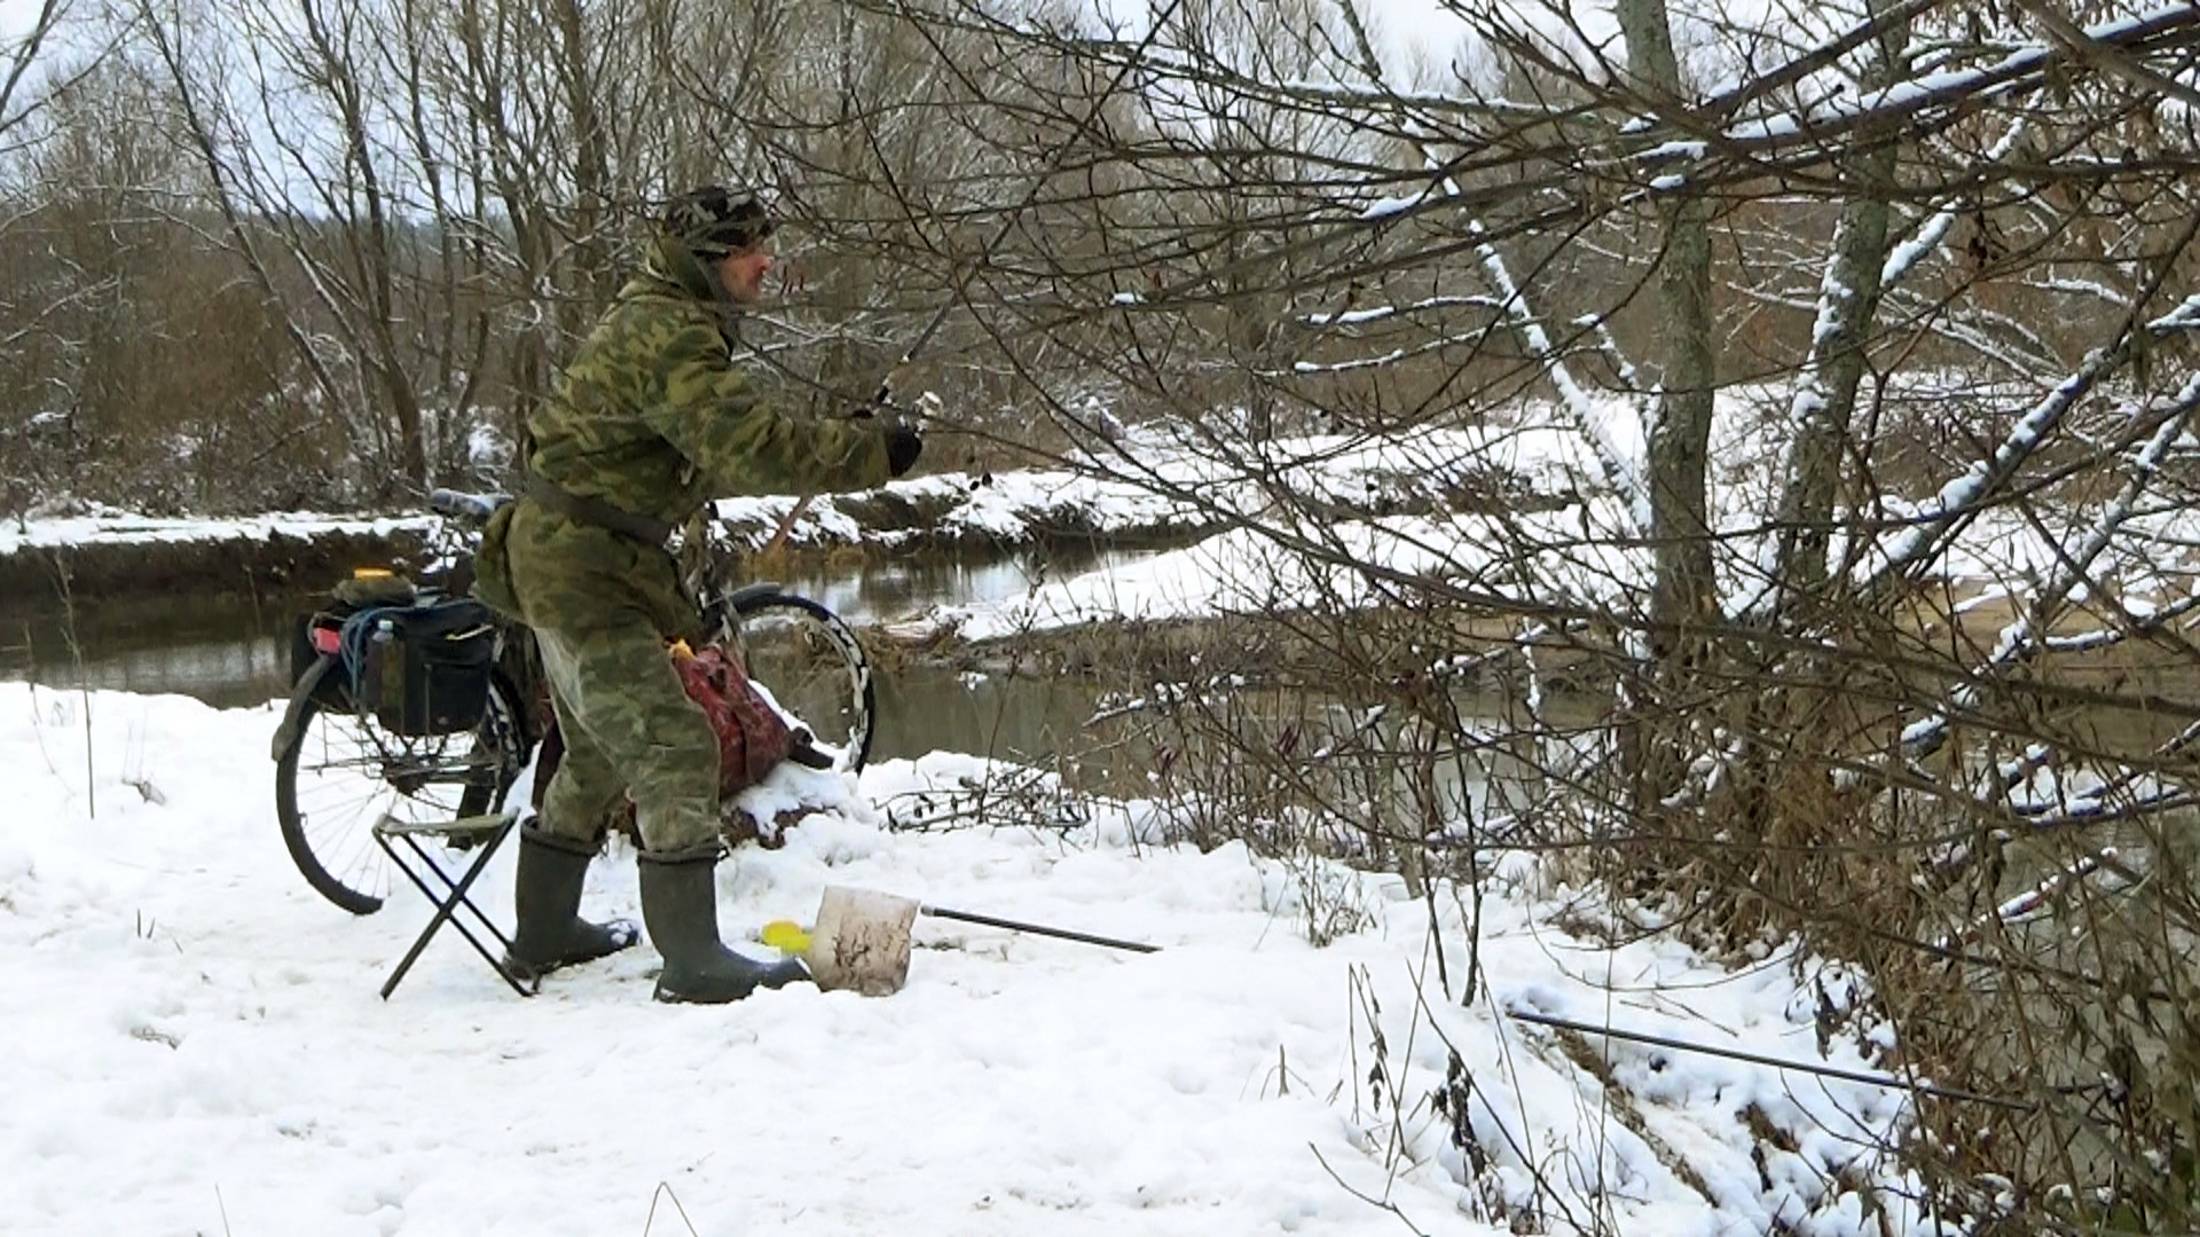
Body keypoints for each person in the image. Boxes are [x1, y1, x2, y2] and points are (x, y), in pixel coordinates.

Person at [471, 186, 923, 1003]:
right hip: (581, 571)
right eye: (752, 249)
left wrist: (843, 438)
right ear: (710, 260)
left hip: (572, 561)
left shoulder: (667, 319)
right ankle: (692, 959)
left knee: (599, 751)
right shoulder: (673, 333)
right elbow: (744, 446)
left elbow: (701, 449)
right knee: (677, 745)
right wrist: (867, 455)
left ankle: (544, 932)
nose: (767, 262)